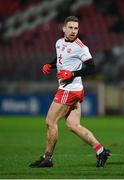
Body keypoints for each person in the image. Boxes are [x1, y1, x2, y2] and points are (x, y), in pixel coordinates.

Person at [29, 16, 111, 168]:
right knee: (74, 125)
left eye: (76, 28)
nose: (73, 31)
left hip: (69, 90)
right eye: (71, 28)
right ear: (64, 28)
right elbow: (61, 57)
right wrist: (50, 65)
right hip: (74, 90)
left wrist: (72, 74)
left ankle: (47, 159)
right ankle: (101, 151)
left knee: (50, 121)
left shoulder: (81, 47)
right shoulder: (59, 43)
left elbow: (92, 68)